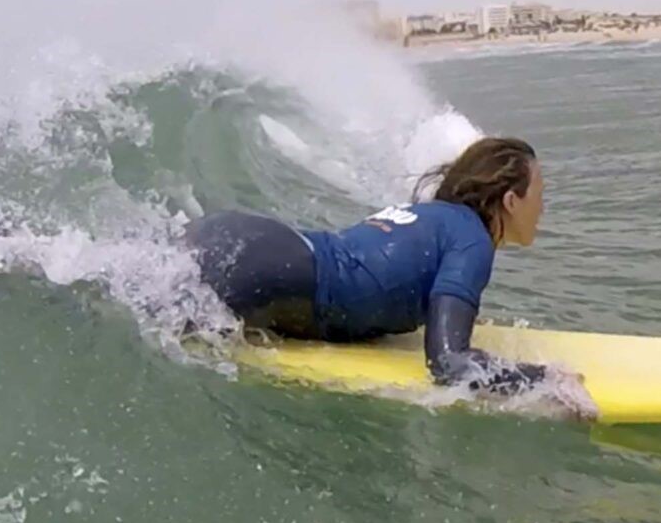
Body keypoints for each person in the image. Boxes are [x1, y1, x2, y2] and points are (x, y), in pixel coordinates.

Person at [185, 136, 552, 396]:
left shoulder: (432, 216)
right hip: (259, 268)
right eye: (539, 194)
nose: (543, 207)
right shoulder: (472, 241)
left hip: (238, 236)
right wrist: (546, 379)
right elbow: (448, 363)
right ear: (511, 201)